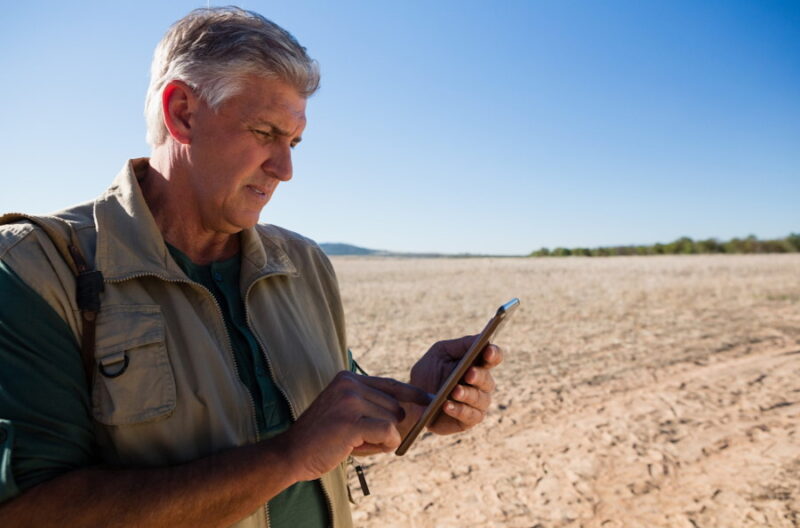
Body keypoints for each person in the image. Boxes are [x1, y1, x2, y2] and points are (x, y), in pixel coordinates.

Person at [0, 7, 502, 527]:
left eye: (294, 142)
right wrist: (287, 457)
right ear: (183, 113)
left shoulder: (303, 264)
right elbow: (29, 513)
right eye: (265, 132)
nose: (285, 170)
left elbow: (334, 430)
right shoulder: (38, 268)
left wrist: (422, 404)